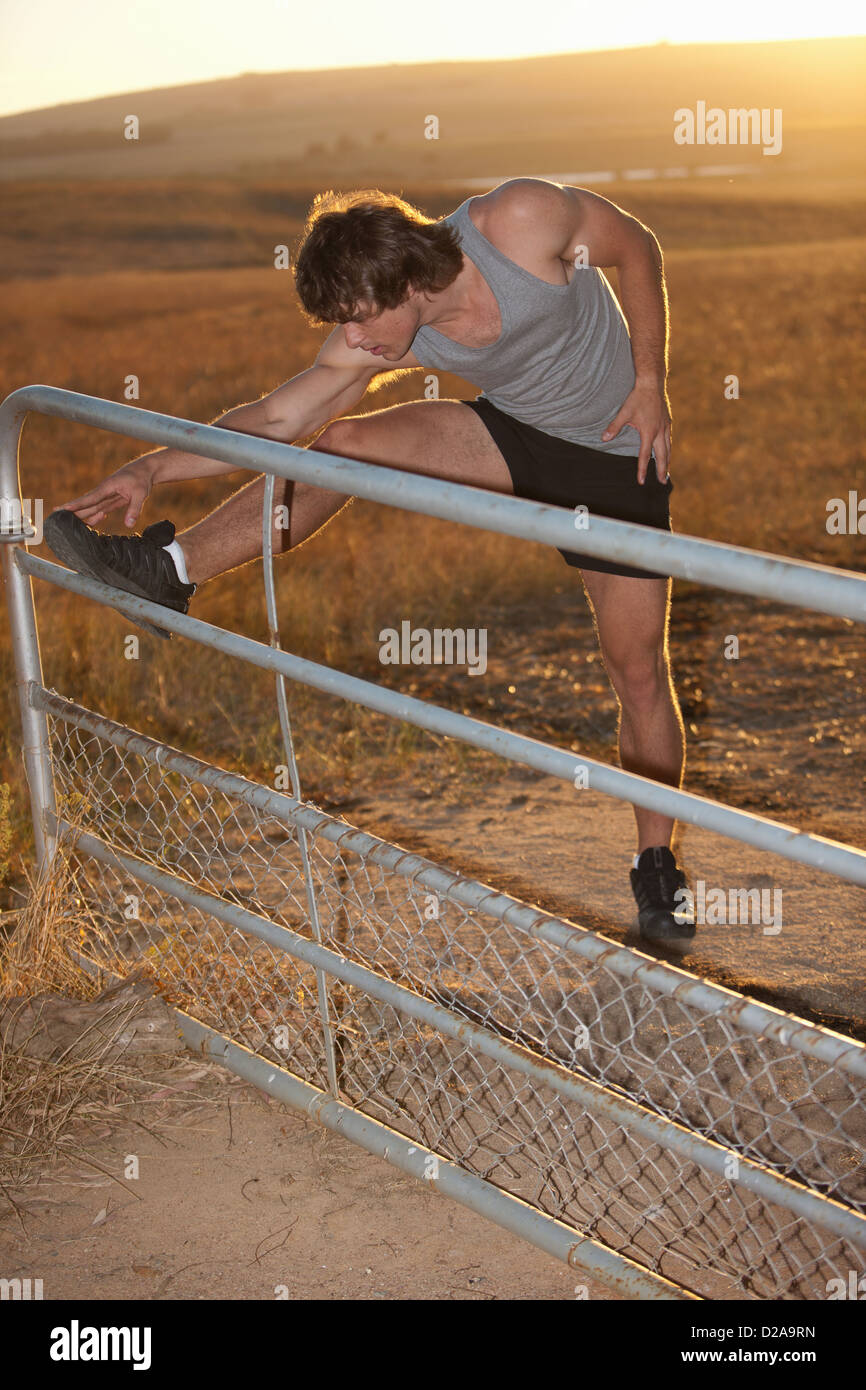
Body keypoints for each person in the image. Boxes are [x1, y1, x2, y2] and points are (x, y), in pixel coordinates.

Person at [43, 178, 695, 942]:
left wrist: (651, 383)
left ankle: (658, 870)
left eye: (357, 321)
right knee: (340, 445)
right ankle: (171, 572)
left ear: (410, 283)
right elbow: (281, 416)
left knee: (638, 670)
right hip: (510, 435)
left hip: (619, 455)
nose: (353, 340)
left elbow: (638, 248)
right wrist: (153, 468)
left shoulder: (519, 222)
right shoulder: (388, 323)